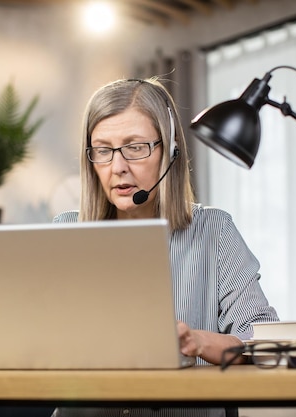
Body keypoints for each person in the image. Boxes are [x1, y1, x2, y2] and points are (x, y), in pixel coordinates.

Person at [52, 77, 279, 417]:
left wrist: (198, 342)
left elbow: (264, 344)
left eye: (135, 147)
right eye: (103, 150)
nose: (118, 167)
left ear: (170, 152)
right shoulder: (64, 232)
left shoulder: (213, 231)